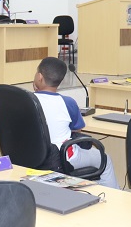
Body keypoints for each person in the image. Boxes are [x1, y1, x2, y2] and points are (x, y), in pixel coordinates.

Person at [32, 57, 119, 189]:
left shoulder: (27, 101)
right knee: (105, 159)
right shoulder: (68, 103)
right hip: (62, 158)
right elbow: (77, 131)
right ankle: (112, 197)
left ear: (39, 77)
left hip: (33, 157)